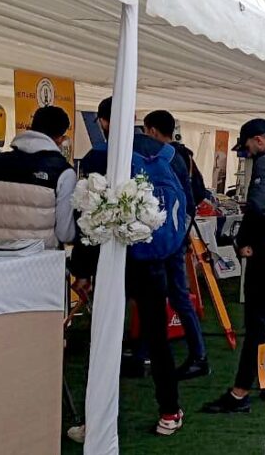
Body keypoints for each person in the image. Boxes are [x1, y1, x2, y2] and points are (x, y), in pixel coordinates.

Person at [71, 96, 193, 436]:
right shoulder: (171, 155)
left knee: (104, 339)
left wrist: (81, 270)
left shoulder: (99, 156)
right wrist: (169, 253)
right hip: (153, 261)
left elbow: (85, 215)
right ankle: (170, 411)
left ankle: (94, 420)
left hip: (110, 261)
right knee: (158, 338)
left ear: (104, 122)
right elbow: (185, 210)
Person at [202, 118, 265, 413]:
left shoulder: (264, 164)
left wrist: (244, 239)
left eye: (246, 147)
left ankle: (240, 392)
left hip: (264, 252)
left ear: (259, 140)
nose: (246, 153)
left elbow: (258, 206)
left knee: (257, 323)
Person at [142, 111, 211, 380]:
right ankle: (196, 355)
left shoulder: (163, 157)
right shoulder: (186, 155)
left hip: (160, 237)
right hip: (178, 236)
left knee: (165, 296)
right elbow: (198, 194)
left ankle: (192, 355)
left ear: (152, 131)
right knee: (175, 295)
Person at [0, 106, 76, 248]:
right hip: (36, 264)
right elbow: (65, 233)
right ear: (60, 139)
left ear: (30, 127)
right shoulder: (64, 172)